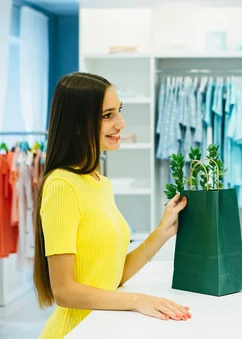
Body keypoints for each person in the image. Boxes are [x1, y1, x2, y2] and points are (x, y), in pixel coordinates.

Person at [33, 72, 190, 339]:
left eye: (119, 111)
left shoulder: (101, 183)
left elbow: (111, 276)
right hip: (73, 331)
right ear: (78, 123)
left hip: (102, 326)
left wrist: (162, 231)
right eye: (107, 116)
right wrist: (138, 300)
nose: (121, 123)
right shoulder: (62, 186)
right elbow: (64, 291)